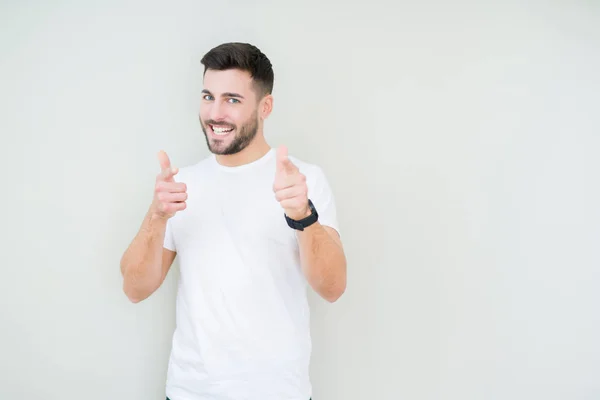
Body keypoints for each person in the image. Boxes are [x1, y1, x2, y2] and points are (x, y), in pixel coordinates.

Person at [120, 42, 347, 400]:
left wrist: (304, 216)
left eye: (233, 100)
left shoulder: (303, 181)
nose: (215, 113)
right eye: (208, 96)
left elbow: (333, 288)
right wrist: (156, 217)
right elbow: (135, 289)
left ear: (265, 106)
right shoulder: (183, 185)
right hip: (190, 391)